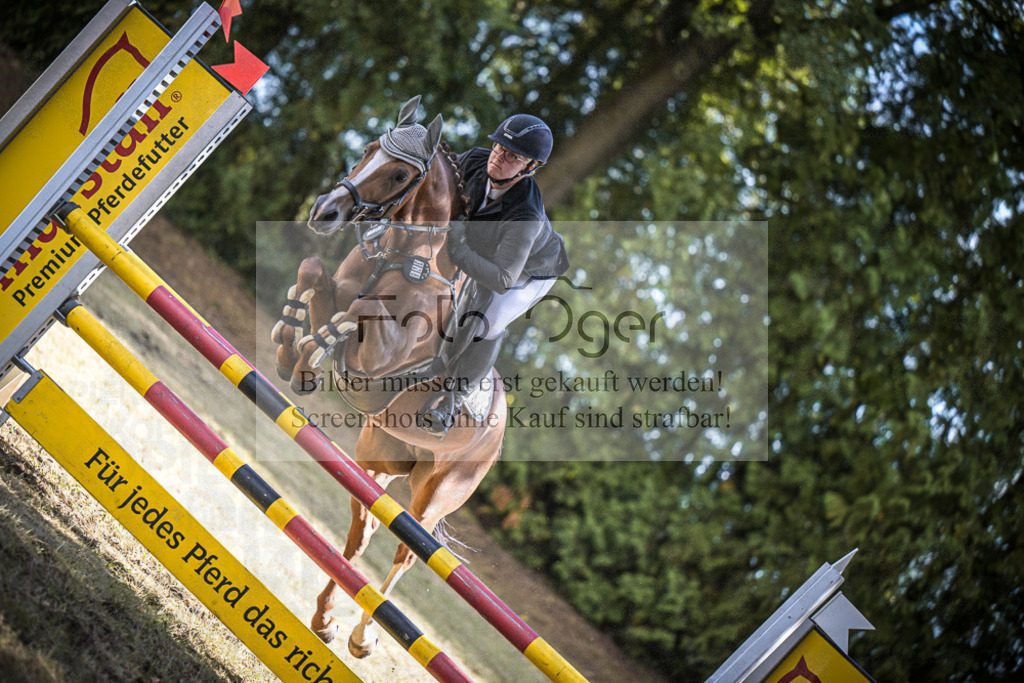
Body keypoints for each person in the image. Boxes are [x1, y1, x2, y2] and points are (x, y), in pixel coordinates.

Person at [418, 114, 570, 437]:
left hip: (530, 270)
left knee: (493, 314)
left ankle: (452, 399)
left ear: (529, 168)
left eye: (513, 156)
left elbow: (501, 277)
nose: (499, 157)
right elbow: (433, 181)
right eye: (499, 147)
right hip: (485, 251)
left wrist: (458, 249)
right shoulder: (474, 160)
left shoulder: (526, 215)